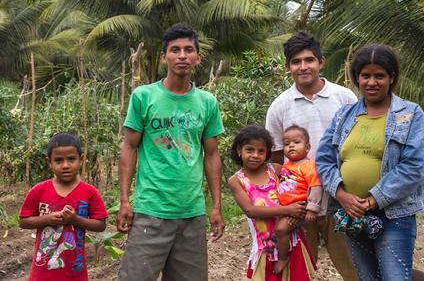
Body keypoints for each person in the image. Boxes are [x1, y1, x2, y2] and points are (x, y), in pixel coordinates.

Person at [117, 23, 225, 281]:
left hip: (191, 213)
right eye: (175, 50)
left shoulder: (207, 102)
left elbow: (211, 155)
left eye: (189, 50)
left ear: (198, 58)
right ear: (164, 56)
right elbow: (129, 147)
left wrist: (216, 206)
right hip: (150, 211)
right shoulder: (144, 97)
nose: (182, 55)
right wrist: (124, 200)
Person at [315, 44, 424, 280]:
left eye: (379, 75)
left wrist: (372, 200)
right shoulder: (344, 115)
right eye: (365, 75)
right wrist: (342, 195)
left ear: (392, 78)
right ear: (357, 78)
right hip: (351, 215)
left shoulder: (410, 114)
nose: (372, 82)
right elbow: (324, 159)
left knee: (395, 277)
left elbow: (414, 167)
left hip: (393, 216)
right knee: (367, 277)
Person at [266, 31, 359, 280]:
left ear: (321, 61)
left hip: (341, 199)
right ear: (288, 67)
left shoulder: (345, 98)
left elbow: (357, 146)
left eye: (309, 60)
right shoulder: (279, 106)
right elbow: (276, 158)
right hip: (298, 205)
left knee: (354, 268)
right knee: (299, 270)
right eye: (296, 62)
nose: (303, 66)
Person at [228, 125, 316, 281]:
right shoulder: (237, 180)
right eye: (250, 150)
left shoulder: (275, 170)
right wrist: (287, 210)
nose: (255, 155)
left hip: (291, 240)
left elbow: (299, 186)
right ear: (238, 150)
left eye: (261, 151)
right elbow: (250, 210)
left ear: (267, 152)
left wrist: (302, 208)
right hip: (265, 246)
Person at [19, 132, 108, 281]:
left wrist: (75, 219)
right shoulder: (38, 191)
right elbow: (23, 221)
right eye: (58, 160)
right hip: (42, 274)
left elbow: (101, 225)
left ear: (81, 159)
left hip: (74, 272)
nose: (65, 165)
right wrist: (47, 219)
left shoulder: (90, 192)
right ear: (49, 162)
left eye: (71, 159)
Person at [273, 125, 323, 274]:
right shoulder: (286, 165)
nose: (291, 146)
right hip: (285, 207)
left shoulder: (308, 166)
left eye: (296, 142)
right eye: (287, 144)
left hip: (299, 207)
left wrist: (312, 209)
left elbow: (316, 187)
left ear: (307, 147)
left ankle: (283, 258)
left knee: (281, 229)